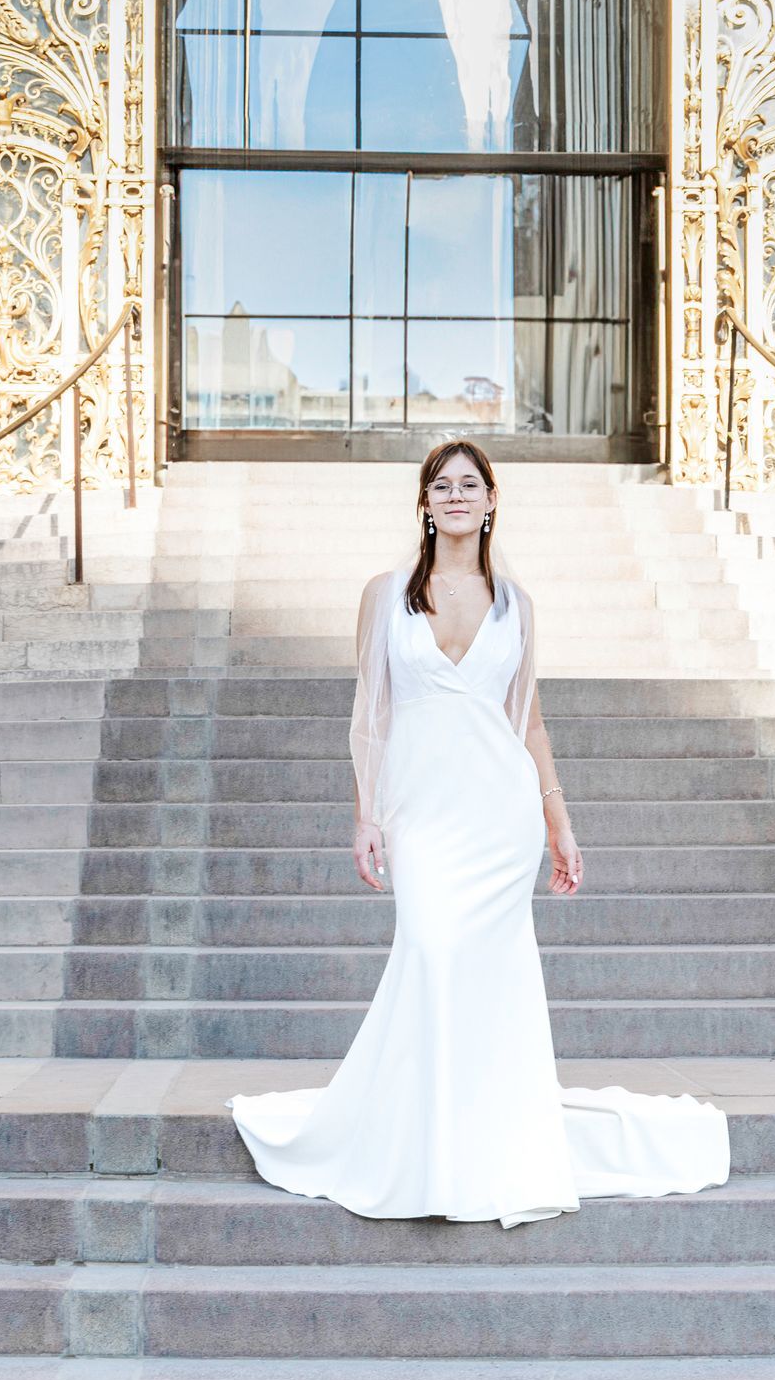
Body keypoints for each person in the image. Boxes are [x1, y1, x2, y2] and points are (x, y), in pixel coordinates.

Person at [230, 438, 731, 1227]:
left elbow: (526, 716)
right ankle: (422, 1139)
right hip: (423, 812)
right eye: (441, 484)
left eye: (470, 484)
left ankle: (485, 1139)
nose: (456, 494)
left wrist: (556, 821)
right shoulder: (386, 593)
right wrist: (366, 810)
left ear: (492, 501)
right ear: (424, 503)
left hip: (499, 817)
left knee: (487, 978)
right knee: (429, 949)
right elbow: (372, 710)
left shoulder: (516, 604)